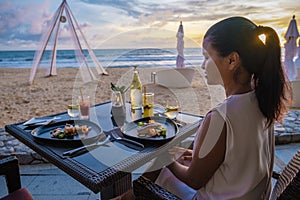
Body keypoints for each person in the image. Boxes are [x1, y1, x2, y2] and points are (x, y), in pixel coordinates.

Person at [143, 16, 291, 200]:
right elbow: (239, 156)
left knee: (149, 169)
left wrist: (164, 156)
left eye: (207, 57)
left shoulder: (220, 117)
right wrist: (195, 156)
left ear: (232, 60)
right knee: (179, 158)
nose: (203, 65)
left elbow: (193, 180)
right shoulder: (262, 100)